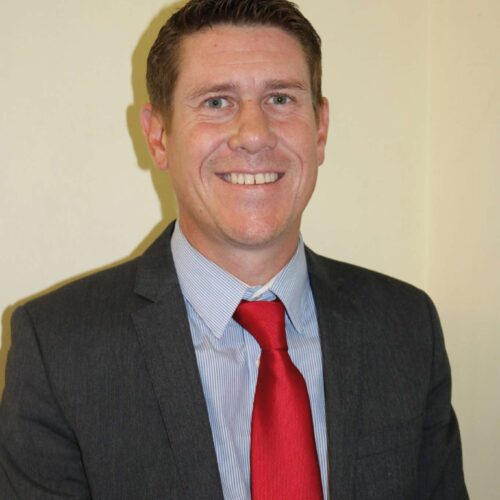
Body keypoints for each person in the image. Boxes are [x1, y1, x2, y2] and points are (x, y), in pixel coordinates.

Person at [0, 0, 468, 499]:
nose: (254, 135)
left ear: (321, 129)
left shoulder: (405, 327)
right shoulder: (59, 349)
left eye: (280, 99)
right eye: (216, 102)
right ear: (158, 137)